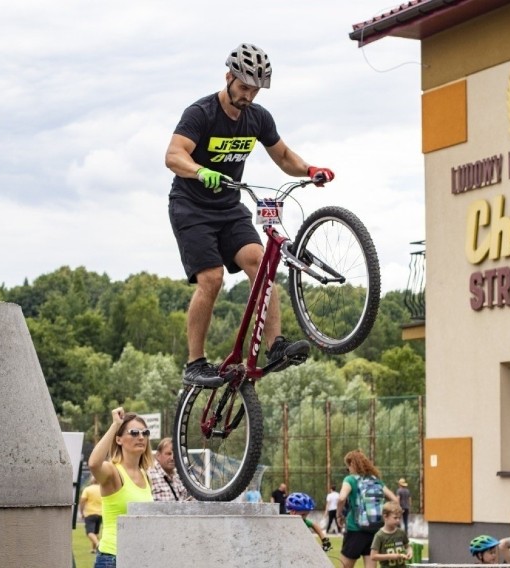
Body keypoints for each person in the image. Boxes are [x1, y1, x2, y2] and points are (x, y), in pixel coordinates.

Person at [165, 42, 335, 388]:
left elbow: (284, 156)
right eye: (243, 87)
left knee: (261, 262)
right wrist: (198, 170)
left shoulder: (257, 118)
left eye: (255, 90)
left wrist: (311, 169)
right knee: (211, 278)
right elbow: (173, 155)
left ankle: (276, 346)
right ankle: (194, 362)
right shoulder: (201, 113)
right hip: (192, 207)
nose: (248, 96)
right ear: (228, 77)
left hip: (229, 207)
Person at [88, 408, 154, 568]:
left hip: (139, 559)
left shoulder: (145, 475)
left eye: (145, 433)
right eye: (134, 432)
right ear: (118, 439)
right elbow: (94, 464)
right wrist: (115, 425)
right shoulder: (113, 472)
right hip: (113, 559)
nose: (141, 437)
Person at [337, 449, 398, 568]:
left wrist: (339, 515)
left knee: (345, 566)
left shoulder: (350, 479)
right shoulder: (376, 480)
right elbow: (394, 500)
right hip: (375, 530)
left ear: (351, 464)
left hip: (355, 529)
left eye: (347, 467)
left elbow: (341, 498)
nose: (348, 470)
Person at [370, 501, 412, 568]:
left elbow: (407, 546)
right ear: (385, 517)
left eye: (399, 518)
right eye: (395, 518)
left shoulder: (401, 532)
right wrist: (392, 556)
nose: (398, 520)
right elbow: (373, 556)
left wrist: (410, 552)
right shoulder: (379, 536)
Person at [146, 437, 189, 502]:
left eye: (175, 454)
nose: (172, 458)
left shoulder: (179, 476)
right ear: (158, 455)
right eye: (168, 454)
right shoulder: (149, 475)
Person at [78, 476, 103, 554]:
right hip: (100, 513)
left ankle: (98, 544)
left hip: (90, 513)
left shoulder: (87, 489)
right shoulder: (102, 489)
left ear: (91, 481)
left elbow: (82, 501)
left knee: (89, 532)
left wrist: (81, 512)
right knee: (96, 532)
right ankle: (94, 549)